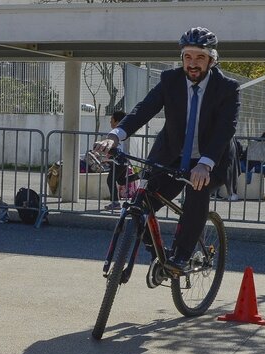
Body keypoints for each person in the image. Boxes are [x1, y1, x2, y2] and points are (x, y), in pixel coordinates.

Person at [93, 26, 240, 274]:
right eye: (187, 56)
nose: (192, 63)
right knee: (143, 202)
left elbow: (226, 129)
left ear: (212, 60)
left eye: (200, 57)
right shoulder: (170, 80)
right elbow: (143, 110)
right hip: (172, 155)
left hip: (210, 159)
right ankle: (158, 256)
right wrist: (115, 136)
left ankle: (182, 255)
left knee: (197, 191)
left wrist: (205, 163)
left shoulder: (227, 88)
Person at [103, 109, 138, 210]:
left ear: (117, 121)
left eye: (112, 120)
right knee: (121, 181)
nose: (110, 122)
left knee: (110, 180)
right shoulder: (123, 133)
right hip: (123, 160)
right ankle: (139, 175)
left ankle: (115, 202)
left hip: (119, 161)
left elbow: (116, 148)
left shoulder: (117, 134)